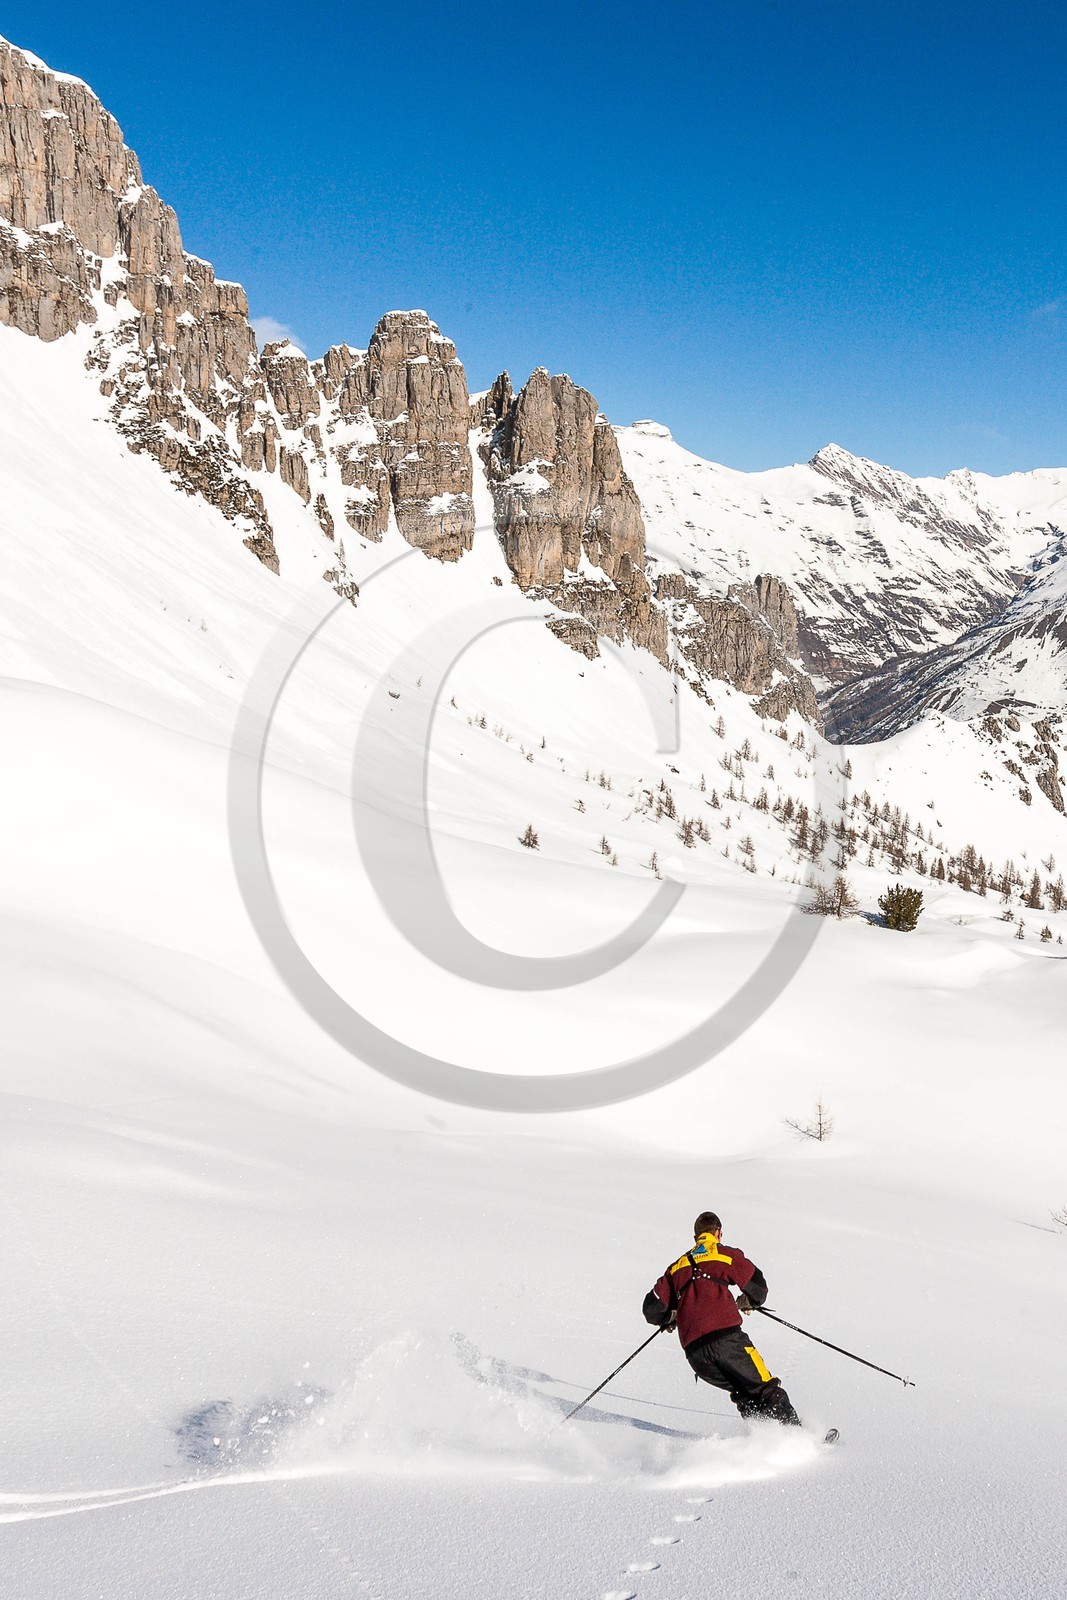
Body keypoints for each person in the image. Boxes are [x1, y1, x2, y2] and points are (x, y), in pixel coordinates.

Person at [642, 1210, 801, 1426]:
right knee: (765, 1387)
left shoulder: (677, 1267)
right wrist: (748, 1301)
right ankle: (797, 1437)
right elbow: (759, 1288)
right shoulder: (723, 1254)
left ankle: (765, 1441)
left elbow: (651, 1309)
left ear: (695, 1237)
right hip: (727, 1341)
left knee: (744, 1393)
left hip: (696, 1355)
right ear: (718, 1233)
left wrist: (670, 1316)